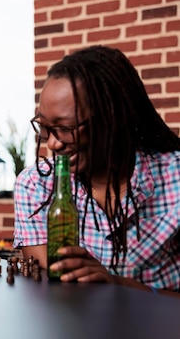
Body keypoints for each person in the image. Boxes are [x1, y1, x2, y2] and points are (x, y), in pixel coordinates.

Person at [14, 44, 180, 295]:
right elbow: (54, 290)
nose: (53, 143)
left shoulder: (174, 176)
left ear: (114, 117)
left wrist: (118, 285)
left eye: (66, 128)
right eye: (45, 127)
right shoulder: (36, 185)